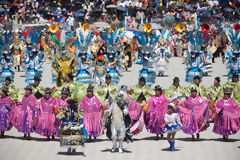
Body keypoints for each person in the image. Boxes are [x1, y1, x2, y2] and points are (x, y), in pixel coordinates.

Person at [104, 85, 132, 153]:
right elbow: (110, 109)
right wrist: (107, 112)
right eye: (118, 97)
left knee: (121, 135)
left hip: (121, 121)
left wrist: (124, 110)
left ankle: (120, 147)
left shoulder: (124, 104)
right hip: (114, 121)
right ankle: (114, 146)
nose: (119, 99)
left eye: (120, 97)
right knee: (113, 135)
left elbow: (126, 111)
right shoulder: (113, 103)